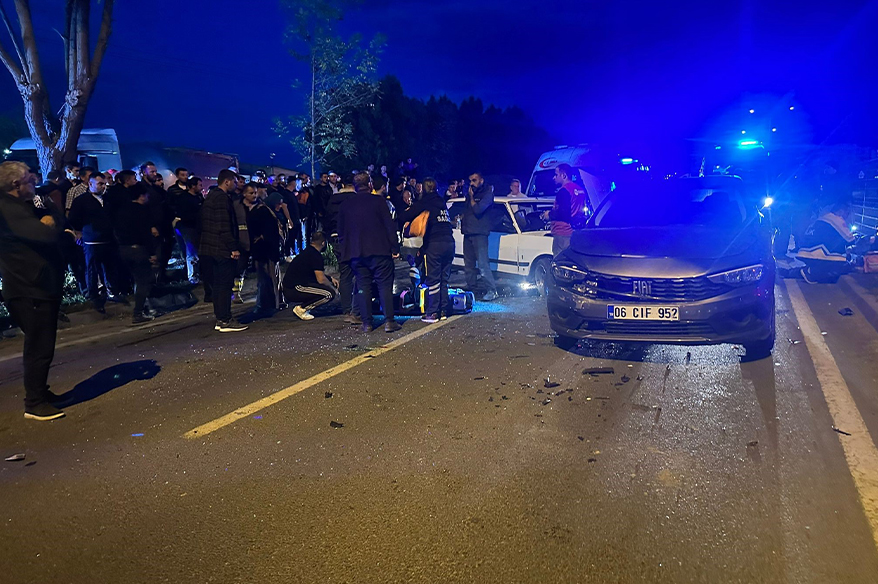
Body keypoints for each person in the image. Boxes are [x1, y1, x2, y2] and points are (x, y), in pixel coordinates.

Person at [0, 161, 67, 420]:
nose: (35, 181)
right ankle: (35, 403)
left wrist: (52, 219)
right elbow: (45, 234)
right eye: (29, 179)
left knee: (42, 343)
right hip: (29, 287)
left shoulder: (23, 205)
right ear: (16, 184)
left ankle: (40, 391)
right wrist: (48, 223)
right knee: (39, 346)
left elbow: (56, 219)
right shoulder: (8, 208)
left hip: (37, 285)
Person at [338, 171, 401, 333]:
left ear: (355, 186)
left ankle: (367, 323)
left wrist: (346, 252)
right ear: (370, 184)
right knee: (384, 285)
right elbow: (389, 226)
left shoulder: (346, 205)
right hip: (379, 250)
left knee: (362, 287)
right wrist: (395, 248)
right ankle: (389, 321)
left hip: (356, 253)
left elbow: (341, 232)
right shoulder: (379, 202)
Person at [68, 172, 126, 314]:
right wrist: (79, 232)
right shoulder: (81, 201)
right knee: (92, 269)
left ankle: (112, 292)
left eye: (104, 184)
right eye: (100, 184)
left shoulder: (108, 199)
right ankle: (94, 296)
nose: (103, 186)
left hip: (108, 238)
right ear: (90, 184)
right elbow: (73, 219)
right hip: (91, 240)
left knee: (110, 266)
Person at [400, 178, 455, 323]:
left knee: (434, 279)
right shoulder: (441, 201)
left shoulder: (426, 202)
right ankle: (443, 310)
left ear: (423, 190)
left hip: (435, 244)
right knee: (444, 279)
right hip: (449, 243)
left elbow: (406, 216)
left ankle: (432, 313)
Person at [199, 169, 248, 332]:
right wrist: (233, 247)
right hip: (220, 248)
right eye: (234, 181)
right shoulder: (221, 198)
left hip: (210, 248)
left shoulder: (211, 196)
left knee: (219, 286)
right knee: (224, 285)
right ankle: (225, 319)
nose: (236, 184)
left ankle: (221, 318)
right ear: (227, 181)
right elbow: (223, 225)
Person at [115, 183, 159, 324]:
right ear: (141, 196)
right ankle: (138, 312)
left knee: (136, 280)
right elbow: (145, 234)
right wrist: (152, 253)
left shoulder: (121, 210)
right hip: (138, 250)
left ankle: (143, 307)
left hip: (123, 249)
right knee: (142, 281)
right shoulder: (142, 211)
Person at [797, 197, 859, 284]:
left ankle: (806, 270)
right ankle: (812, 273)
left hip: (806, 252)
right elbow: (850, 239)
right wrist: (860, 238)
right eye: (847, 212)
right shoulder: (837, 220)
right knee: (844, 266)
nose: (847, 215)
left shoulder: (825, 217)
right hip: (816, 254)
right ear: (841, 211)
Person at [282, 231, 338, 321]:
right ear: (323, 243)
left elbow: (314, 273)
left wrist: (330, 279)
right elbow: (321, 279)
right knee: (328, 294)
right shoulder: (315, 255)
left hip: (290, 288)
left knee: (324, 291)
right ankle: (302, 309)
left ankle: (306, 307)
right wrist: (333, 288)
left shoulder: (308, 252)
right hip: (295, 288)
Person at [326, 180, 360, 324]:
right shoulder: (355, 199)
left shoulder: (332, 200)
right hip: (353, 239)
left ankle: (346, 310)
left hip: (336, 239)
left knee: (345, 274)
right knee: (360, 274)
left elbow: (326, 220)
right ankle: (358, 309)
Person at [462, 172, 498, 301]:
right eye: (470, 181)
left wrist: (471, 197)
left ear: (481, 180)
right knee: (468, 265)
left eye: (474, 180)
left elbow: (478, 210)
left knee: (483, 264)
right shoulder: (470, 194)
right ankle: (472, 288)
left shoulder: (487, 194)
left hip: (480, 233)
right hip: (468, 232)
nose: (471, 183)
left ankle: (492, 290)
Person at [248, 192, 284, 316]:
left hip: (267, 251)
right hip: (266, 252)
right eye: (278, 203)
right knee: (268, 279)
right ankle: (269, 304)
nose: (280, 206)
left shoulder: (266, 211)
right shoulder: (264, 212)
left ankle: (273, 303)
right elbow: (268, 233)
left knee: (271, 279)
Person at [140, 161, 175, 282]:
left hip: (163, 225)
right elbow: (143, 210)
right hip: (152, 227)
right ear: (144, 173)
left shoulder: (156, 189)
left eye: (155, 171)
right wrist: (151, 226)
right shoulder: (141, 189)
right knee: (156, 253)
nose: (155, 174)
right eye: (152, 172)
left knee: (165, 252)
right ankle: (153, 280)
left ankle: (161, 276)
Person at [545, 163, 587, 256]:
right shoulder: (580, 190)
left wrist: (548, 215)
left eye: (556, 174)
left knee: (560, 260)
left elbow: (562, 212)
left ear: (564, 175)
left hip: (563, 232)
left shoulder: (564, 190)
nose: (554, 178)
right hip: (576, 230)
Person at [174, 176, 203, 284]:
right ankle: (192, 277)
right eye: (200, 185)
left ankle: (198, 273)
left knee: (196, 251)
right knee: (191, 251)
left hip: (197, 227)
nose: (201, 187)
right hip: (188, 227)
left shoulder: (199, 197)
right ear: (193, 186)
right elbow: (182, 214)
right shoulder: (184, 198)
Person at [231, 183, 255, 303]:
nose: (254, 195)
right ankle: (236, 293)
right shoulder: (236, 206)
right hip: (242, 242)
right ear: (244, 194)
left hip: (256, 242)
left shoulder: (259, 205)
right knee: (240, 268)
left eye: (255, 193)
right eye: (251, 193)